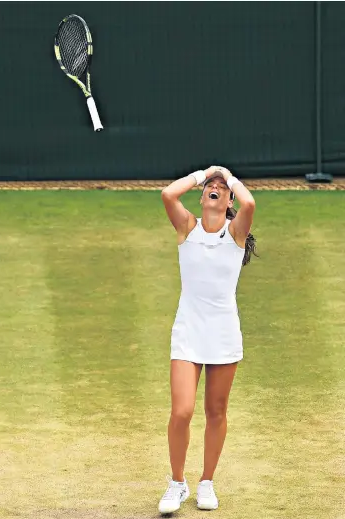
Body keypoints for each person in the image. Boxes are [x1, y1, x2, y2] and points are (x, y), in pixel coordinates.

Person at [158, 166, 257, 514]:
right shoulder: (187, 227)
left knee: (216, 411)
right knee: (182, 411)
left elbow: (250, 204)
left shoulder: (235, 233)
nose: (214, 189)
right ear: (202, 196)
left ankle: (206, 483)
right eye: (209, 188)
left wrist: (228, 177)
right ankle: (177, 483)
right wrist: (202, 174)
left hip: (224, 333)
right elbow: (168, 194)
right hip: (188, 330)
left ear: (227, 199)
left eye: (221, 189)